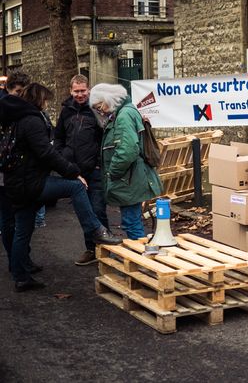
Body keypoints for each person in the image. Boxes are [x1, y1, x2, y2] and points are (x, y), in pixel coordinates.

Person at [0, 83, 122, 292]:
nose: (47, 104)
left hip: (17, 183)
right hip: (30, 183)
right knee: (75, 187)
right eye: (45, 100)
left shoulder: (17, 119)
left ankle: (21, 275)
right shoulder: (32, 120)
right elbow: (46, 153)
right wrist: (73, 172)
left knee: (23, 229)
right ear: (39, 99)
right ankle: (96, 231)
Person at [90, 83, 162, 240]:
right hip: (130, 177)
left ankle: (140, 259)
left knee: (131, 222)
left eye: (99, 105)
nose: (99, 110)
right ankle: (140, 256)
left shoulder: (123, 116)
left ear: (109, 98)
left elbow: (127, 150)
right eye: (96, 108)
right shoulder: (126, 112)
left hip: (129, 179)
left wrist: (112, 173)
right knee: (132, 220)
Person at [55, 74, 109, 266]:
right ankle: (91, 250)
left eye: (83, 91)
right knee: (85, 213)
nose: (80, 94)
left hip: (94, 170)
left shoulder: (96, 110)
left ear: (89, 90)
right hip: (75, 172)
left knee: (98, 210)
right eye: (76, 91)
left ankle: (105, 250)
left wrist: (99, 162)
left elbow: (106, 138)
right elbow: (59, 137)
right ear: (71, 91)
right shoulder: (66, 112)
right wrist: (64, 156)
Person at [0, 71, 33, 274]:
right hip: (5, 174)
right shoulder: (6, 108)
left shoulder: (18, 109)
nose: (20, 97)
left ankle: (21, 260)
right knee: (9, 219)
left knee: (19, 220)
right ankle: (16, 263)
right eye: (17, 92)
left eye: (24, 92)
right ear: (8, 90)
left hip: (16, 173)